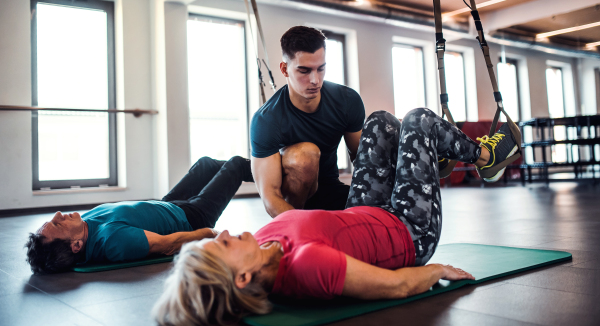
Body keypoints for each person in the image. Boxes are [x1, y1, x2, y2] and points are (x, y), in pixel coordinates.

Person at [152, 108, 519, 326]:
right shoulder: (307, 266)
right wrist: (438, 271)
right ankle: (486, 160)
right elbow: (395, 287)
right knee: (418, 120)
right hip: (409, 230)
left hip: (365, 210)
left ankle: (427, 155)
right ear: (244, 276)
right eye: (222, 246)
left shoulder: (262, 242)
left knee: (379, 123)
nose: (225, 233)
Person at [25, 156, 254, 274]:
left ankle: (264, 172)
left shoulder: (84, 225)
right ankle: (282, 176)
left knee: (205, 164)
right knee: (235, 165)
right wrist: (207, 232)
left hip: (168, 205)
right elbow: (167, 244)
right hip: (191, 217)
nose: (58, 214)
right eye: (58, 225)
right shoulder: (113, 241)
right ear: (76, 245)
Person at [251, 26, 365, 218]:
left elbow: (362, 162)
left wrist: (370, 206)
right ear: (284, 69)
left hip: (330, 189)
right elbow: (271, 198)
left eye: (321, 68)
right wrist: (303, 226)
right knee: (306, 155)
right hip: (291, 203)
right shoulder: (267, 119)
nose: (315, 80)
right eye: (304, 71)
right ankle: (293, 228)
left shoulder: (347, 101)